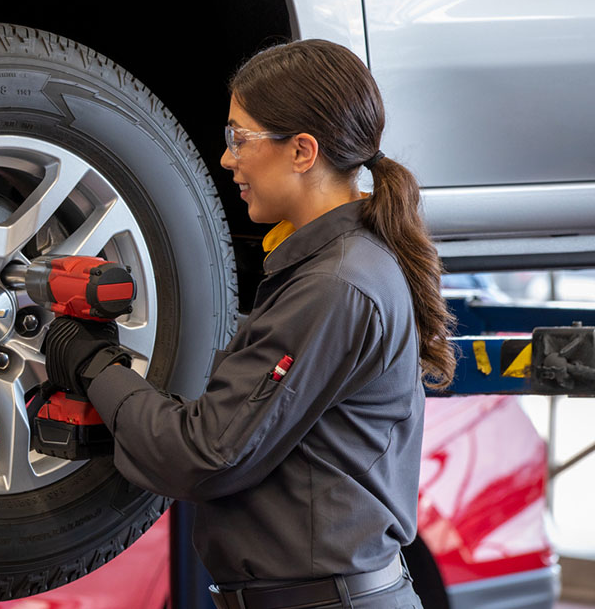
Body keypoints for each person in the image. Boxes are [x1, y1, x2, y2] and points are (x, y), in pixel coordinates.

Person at [42, 39, 456, 609]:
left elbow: (206, 456)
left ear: (302, 152)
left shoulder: (335, 284)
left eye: (240, 138)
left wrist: (95, 363)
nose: (227, 158)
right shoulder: (326, 267)